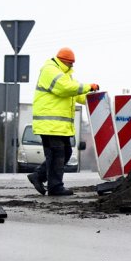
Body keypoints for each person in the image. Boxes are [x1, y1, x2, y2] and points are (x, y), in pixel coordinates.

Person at [28, 46, 98, 196]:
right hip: (49, 124)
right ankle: (55, 187)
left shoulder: (64, 74)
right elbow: (66, 89)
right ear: (63, 61)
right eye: (70, 63)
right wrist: (88, 86)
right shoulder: (50, 70)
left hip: (58, 126)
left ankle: (39, 176)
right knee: (58, 153)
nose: (72, 66)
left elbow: (74, 94)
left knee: (65, 152)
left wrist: (94, 99)